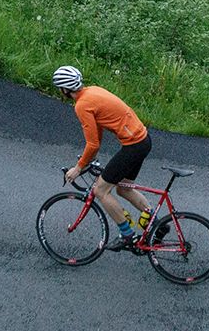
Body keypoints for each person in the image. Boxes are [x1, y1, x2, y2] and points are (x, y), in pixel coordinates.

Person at [54, 65, 156, 250]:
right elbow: (97, 131)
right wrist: (90, 157)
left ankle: (127, 235)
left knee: (100, 190)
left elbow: (93, 144)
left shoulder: (82, 105)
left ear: (64, 89)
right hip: (143, 140)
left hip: (133, 145)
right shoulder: (92, 91)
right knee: (124, 189)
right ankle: (157, 224)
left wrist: (78, 167)